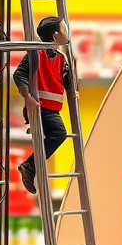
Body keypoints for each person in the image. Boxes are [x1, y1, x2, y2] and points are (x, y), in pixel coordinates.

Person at [12, 16, 73, 194]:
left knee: (56, 135)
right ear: (55, 35)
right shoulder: (36, 53)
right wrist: (28, 96)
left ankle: (30, 166)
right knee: (59, 134)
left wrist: (72, 84)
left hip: (53, 107)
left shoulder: (62, 57)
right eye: (64, 29)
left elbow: (65, 78)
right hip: (41, 107)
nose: (67, 32)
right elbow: (19, 74)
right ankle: (30, 166)